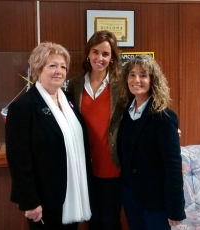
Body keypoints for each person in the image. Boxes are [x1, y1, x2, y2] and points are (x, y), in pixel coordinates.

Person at [5, 42, 92, 230]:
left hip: (72, 193)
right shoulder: (23, 107)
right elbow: (19, 160)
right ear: (38, 68)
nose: (59, 71)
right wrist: (29, 201)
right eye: (52, 65)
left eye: (63, 66)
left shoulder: (68, 100)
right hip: (44, 200)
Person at [117, 55, 186, 230]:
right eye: (131, 74)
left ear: (153, 80)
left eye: (143, 75)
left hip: (156, 201)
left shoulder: (164, 117)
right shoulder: (127, 112)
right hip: (131, 197)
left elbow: (173, 165)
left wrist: (175, 208)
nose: (136, 80)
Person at [67, 31, 126, 230]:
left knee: (110, 221)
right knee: (91, 220)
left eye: (105, 54)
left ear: (112, 59)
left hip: (112, 165)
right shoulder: (75, 85)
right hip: (84, 166)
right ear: (88, 54)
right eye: (95, 52)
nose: (99, 58)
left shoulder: (121, 85)